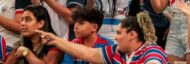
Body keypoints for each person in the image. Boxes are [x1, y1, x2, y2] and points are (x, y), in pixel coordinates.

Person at [37, 12, 169, 63]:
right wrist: (56, 40)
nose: (115, 38)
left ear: (132, 35)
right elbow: (87, 53)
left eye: (118, 33)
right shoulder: (117, 51)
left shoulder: (152, 52)